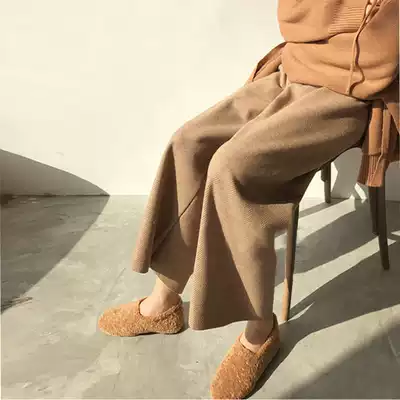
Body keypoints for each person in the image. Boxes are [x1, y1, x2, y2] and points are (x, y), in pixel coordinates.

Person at [98, 1, 399, 398]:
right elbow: (293, 17)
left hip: (351, 94)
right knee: (188, 142)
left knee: (233, 167)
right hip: (293, 71)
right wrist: (342, 26)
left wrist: (331, 24)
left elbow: (381, 53)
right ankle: (164, 302)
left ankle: (260, 329)